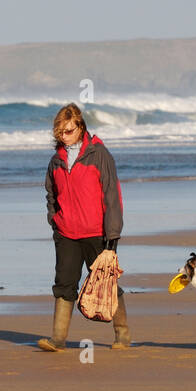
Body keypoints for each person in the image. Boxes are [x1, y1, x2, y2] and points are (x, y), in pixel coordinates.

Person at [38, 102, 129, 351]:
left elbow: (112, 196)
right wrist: (55, 221)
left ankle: (122, 334)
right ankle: (58, 339)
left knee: (106, 283)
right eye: (60, 132)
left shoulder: (100, 155)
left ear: (80, 127)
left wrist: (113, 237)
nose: (64, 137)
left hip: (97, 233)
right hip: (66, 234)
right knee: (64, 284)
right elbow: (50, 194)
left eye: (68, 131)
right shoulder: (56, 160)